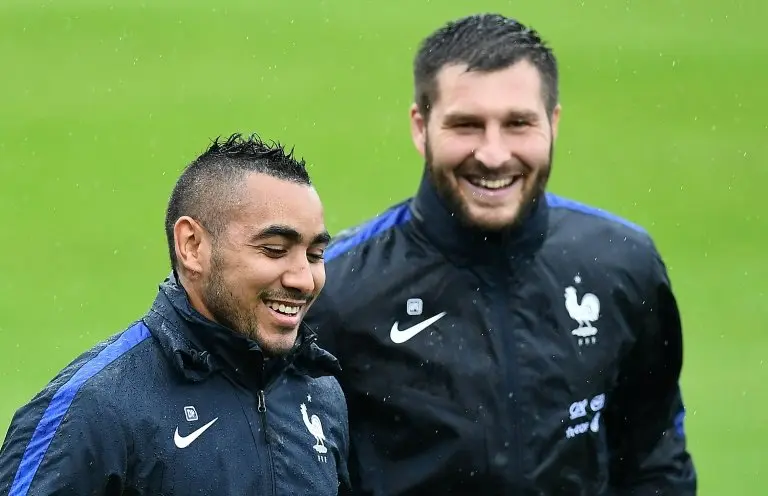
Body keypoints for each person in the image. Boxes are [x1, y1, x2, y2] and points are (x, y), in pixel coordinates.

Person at [303, 13, 697, 495]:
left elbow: (654, 460)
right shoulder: (339, 290)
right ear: (420, 127)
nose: (493, 154)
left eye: (518, 124)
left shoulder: (621, 263)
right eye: (467, 125)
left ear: (552, 123)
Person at [0, 133, 351, 495]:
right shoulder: (94, 410)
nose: (304, 280)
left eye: (315, 255)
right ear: (192, 246)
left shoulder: (320, 395)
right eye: (275, 250)